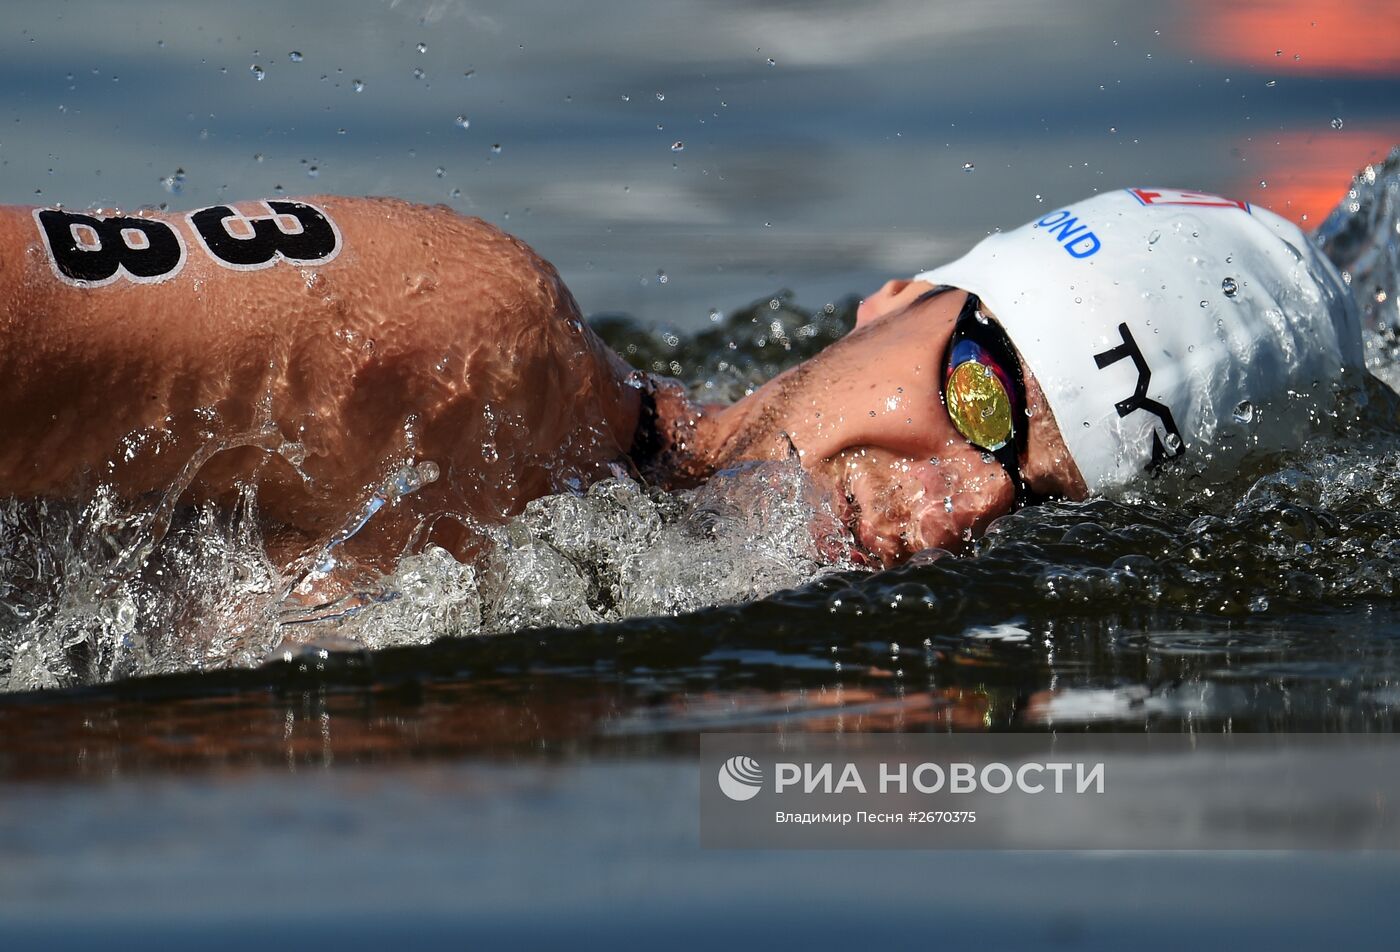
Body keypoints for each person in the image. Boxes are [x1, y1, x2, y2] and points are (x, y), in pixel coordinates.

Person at [0, 188, 1368, 576]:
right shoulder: (465, 351)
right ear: (896, 298)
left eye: (1042, 506)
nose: (960, 510)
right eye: (982, 407)